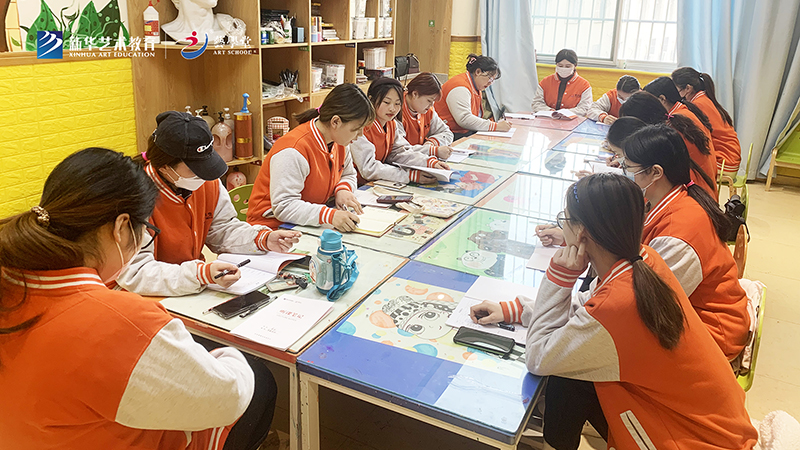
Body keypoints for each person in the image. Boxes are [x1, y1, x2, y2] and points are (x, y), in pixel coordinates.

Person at [0, 148, 275, 450]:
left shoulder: (12, 283)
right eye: (146, 229)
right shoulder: (118, 320)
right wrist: (228, 356)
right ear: (121, 228)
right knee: (257, 378)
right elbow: (228, 396)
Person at [470, 174, 757, 450]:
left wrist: (558, 278)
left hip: (693, 439)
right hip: (714, 423)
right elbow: (587, 309)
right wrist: (516, 309)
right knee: (569, 371)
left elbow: (539, 357)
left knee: (563, 370)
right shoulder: (644, 259)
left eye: (564, 220)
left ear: (581, 233)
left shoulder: (619, 305)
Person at [117, 111, 301, 298]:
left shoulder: (206, 181)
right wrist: (199, 274)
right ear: (165, 167)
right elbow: (135, 272)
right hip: (145, 295)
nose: (203, 175)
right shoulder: (133, 197)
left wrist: (262, 239)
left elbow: (222, 228)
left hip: (192, 288)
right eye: (195, 169)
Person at [622, 124, 751, 360]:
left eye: (628, 168)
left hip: (713, 333)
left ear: (656, 172)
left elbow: (650, 303)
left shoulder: (678, 235)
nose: (625, 173)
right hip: (698, 313)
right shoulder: (678, 196)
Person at [247, 83, 373, 232]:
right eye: (356, 129)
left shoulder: (339, 142)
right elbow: (284, 206)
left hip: (306, 225)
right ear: (335, 122)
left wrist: (343, 190)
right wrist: (329, 215)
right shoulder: (293, 150)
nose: (360, 135)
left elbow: (348, 174)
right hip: (272, 229)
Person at [351, 77, 450, 185]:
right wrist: (408, 175)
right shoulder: (360, 127)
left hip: (379, 182)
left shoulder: (391, 124)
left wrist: (429, 162)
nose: (392, 108)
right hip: (357, 186)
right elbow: (369, 167)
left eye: (397, 104)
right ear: (371, 100)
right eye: (386, 102)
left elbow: (399, 152)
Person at [620, 91, 717, 197]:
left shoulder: (666, 139)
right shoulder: (675, 123)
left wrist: (630, 164)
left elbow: (656, 182)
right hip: (702, 188)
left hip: (695, 193)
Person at [672, 67, 742, 173]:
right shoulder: (703, 98)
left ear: (688, 88)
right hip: (731, 155)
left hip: (724, 160)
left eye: (676, 89)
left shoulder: (698, 104)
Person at [434, 53, 511, 139]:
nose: (490, 83)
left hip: (461, 132)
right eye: (490, 78)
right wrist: (495, 126)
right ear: (478, 72)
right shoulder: (460, 87)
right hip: (448, 134)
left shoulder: (475, 86)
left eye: (493, 80)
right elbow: (464, 119)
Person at [400, 72, 454, 159]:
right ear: (415, 94)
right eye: (429, 100)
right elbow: (401, 150)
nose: (431, 105)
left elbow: (447, 133)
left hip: (419, 159)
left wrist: (432, 142)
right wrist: (432, 150)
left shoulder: (427, 110)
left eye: (433, 101)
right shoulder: (397, 111)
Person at [530, 49, 592, 117]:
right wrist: (550, 111)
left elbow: (585, 108)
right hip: (547, 118)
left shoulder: (584, 85)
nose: (564, 68)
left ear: (575, 66)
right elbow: (536, 103)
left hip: (572, 120)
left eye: (568, 66)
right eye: (560, 66)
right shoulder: (545, 82)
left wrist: (564, 113)